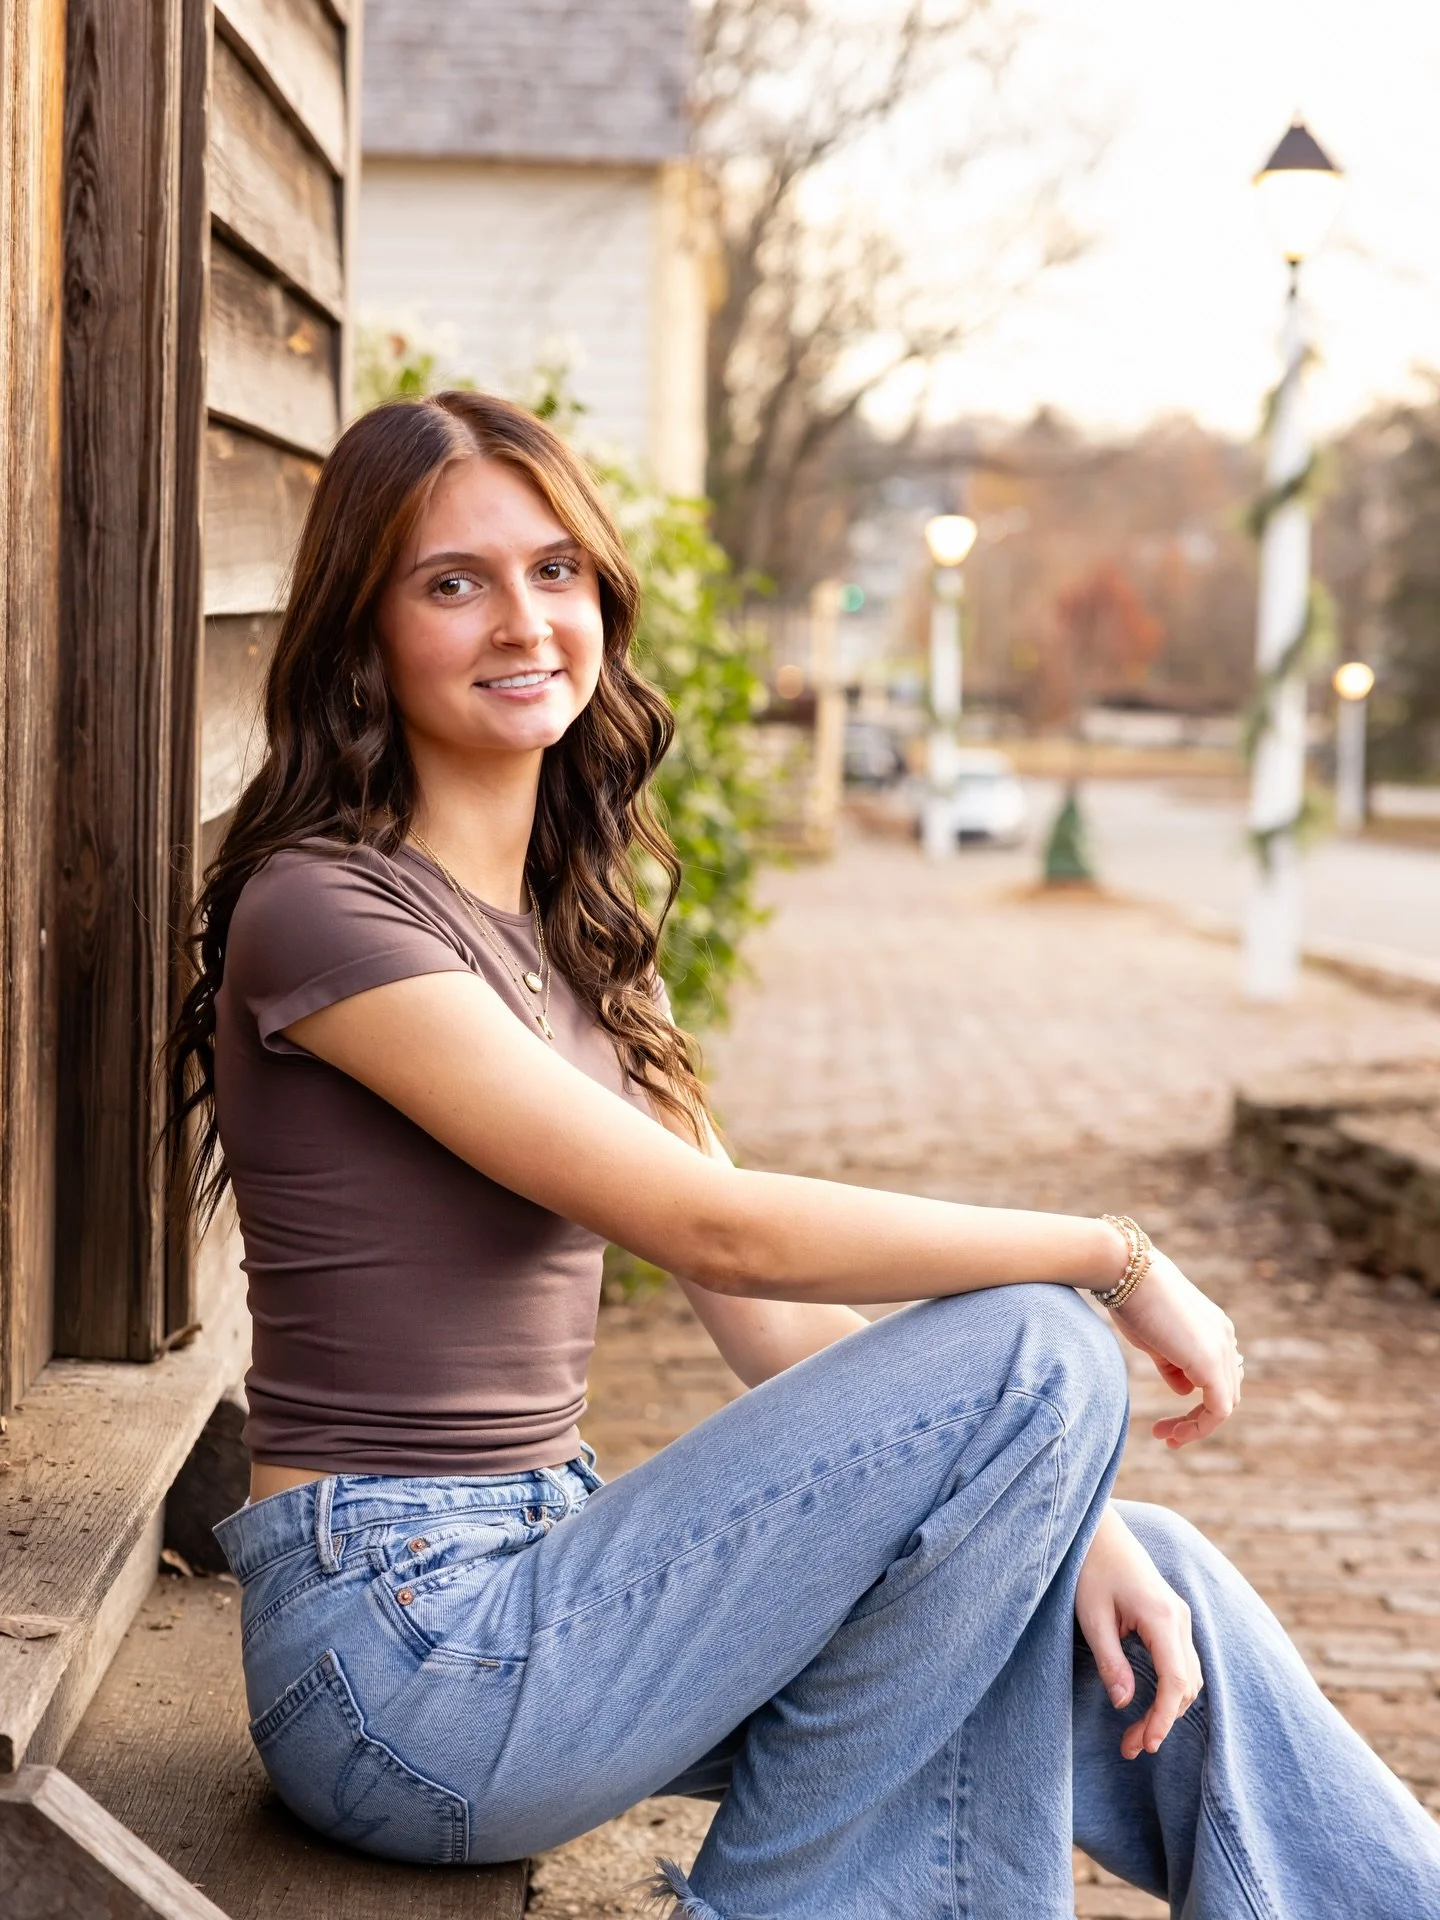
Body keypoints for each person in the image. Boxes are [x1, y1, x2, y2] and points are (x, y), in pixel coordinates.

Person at [169, 391, 1440, 1919]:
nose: (524, 619)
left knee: (1155, 1586)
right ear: (363, 630)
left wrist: (1068, 1514)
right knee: (1041, 1353)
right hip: (403, 1664)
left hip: (555, 1577)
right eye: (455, 582)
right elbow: (725, 1236)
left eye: (558, 570)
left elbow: (772, 1332)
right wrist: (1110, 1256)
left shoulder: (579, 945)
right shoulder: (326, 912)